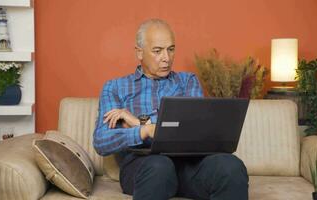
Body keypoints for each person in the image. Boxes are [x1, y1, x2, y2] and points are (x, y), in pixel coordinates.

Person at [93, 19, 248, 200]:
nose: (166, 58)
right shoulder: (115, 88)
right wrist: (144, 131)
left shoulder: (188, 81)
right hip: (142, 166)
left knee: (231, 166)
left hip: (188, 165)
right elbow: (101, 141)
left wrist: (141, 123)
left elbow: (194, 132)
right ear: (139, 52)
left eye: (171, 49)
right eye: (157, 51)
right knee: (160, 166)